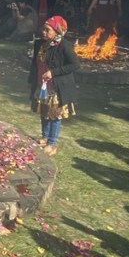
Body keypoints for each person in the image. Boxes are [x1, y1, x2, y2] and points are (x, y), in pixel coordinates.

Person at [28, 16, 79, 156]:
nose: (43, 32)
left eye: (47, 30)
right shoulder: (40, 44)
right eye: (43, 29)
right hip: (41, 84)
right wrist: (32, 81)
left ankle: (52, 143)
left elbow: (75, 65)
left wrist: (53, 72)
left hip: (56, 87)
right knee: (44, 112)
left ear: (57, 32)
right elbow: (35, 64)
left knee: (55, 115)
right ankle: (44, 137)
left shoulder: (64, 46)